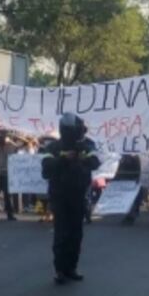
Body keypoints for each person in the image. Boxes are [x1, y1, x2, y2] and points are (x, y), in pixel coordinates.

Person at [42, 113, 100, 285]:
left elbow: (95, 162)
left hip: (78, 194)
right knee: (61, 233)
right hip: (59, 196)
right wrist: (63, 159)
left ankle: (71, 268)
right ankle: (60, 270)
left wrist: (82, 158)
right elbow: (45, 170)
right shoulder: (53, 147)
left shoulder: (86, 145)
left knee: (76, 233)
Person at [0, 129, 20, 221]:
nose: (1, 137)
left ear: (6, 137)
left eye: (3, 135)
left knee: (7, 195)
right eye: (0, 136)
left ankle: (10, 214)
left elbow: (19, 152)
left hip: (6, 174)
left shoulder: (12, 146)